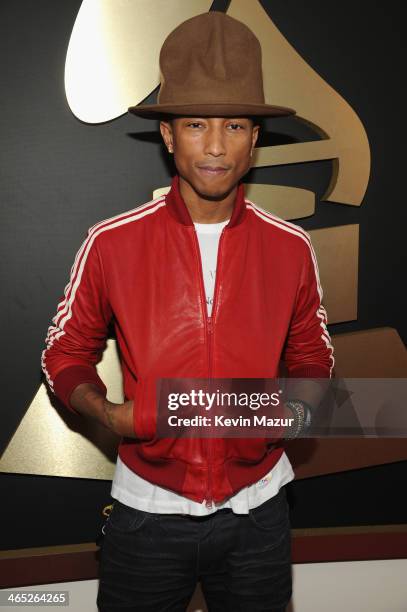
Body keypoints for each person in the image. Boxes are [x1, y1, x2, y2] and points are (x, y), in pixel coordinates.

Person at [41, 11, 334, 612]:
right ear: (169, 135)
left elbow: (313, 357)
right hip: (146, 516)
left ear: (256, 139)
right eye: (196, 124)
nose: (217, 145)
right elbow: (64, 352)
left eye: (235, 125)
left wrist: (296, 412)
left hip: (260, 515)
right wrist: (109, 415)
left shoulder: (290, 247)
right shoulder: (112, 242)